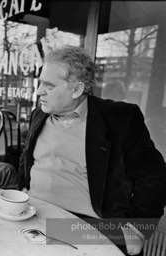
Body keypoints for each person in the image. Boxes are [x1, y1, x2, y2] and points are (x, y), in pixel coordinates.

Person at [18, 46, 166, 255]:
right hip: (33, 216)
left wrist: (137, 229)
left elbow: (154, 174)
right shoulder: (39, 114)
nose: (39, 90)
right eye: (41, 82)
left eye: (48, 85)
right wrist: (22, 188)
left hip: (86, 226)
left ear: (77, 89)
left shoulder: (120, 118)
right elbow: (28, 155)